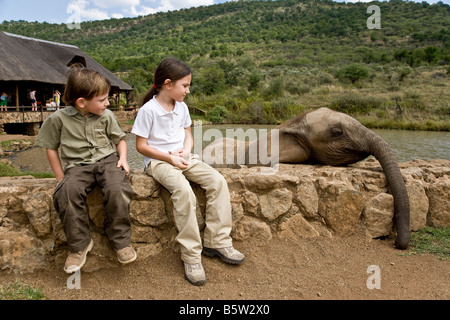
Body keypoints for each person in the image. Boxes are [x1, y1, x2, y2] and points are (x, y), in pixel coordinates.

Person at [132, 58, 244, 286]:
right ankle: (192, 256)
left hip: (184, 157)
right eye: (185, 85)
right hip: (159, 162)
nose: (188, 90)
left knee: (218, 181)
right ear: (167, 84)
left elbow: (188, 135)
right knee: (184, 191)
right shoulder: (148, 110)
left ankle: (217, 241)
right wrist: (169, 157)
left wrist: (186, 152)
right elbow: (141, 146)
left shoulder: (181, 107)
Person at [35, 65, 137, 274]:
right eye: (102, 100)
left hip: (108, 161)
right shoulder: (57, 119)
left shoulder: (106, 116)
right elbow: (51, 148)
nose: (107, 103)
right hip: (77, 166)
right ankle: (79, 245)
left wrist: (124, 159)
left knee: (118, 189)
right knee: (67, 192)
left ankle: (120, 240)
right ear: (82, 102)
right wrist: (60, 177)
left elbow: (120, 140)